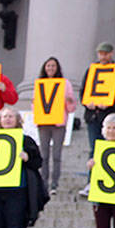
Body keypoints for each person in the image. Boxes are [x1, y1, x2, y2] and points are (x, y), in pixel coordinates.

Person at [0, 106, 43, 228]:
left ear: (18, 120)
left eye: (11, 116)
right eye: (4, 116)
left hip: (17, 189)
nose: (7, 119)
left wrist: (27, 158)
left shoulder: (26, 140)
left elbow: (38, 162)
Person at [79, 42, 115, 196]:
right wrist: (87, 103)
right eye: (100, 53)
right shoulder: (90, 71)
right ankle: (91, 181)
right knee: (94, 148)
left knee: (112, 147)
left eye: (105, 53)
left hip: (111, 116)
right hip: (93, 116)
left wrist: (109, 103)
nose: (102, 56)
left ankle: (112, 180)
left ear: (111, 54)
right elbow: (83, 92)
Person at [35, 56, 76, 195]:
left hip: (58, 124)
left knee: (56, 155)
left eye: (53, 66)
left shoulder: (65, 84)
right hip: (43, 123)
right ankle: (43, 182)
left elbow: (71, 108)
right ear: (44, 68)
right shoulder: (40, 84)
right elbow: (36, 105)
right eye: (48, 66)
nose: (50, 68)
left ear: (57, 68)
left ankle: (54, 184)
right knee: (44, 155)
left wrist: (69, 101)